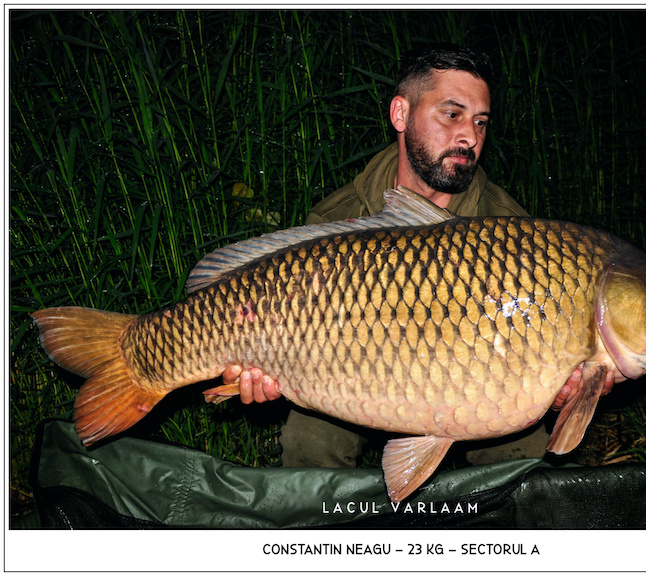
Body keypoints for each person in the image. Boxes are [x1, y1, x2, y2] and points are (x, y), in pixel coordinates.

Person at [222, 44, 553, 468]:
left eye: (480, 122)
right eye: (452, 115)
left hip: (469, 384)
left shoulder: (508, 227)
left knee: (524, 454)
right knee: (308, 443)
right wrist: (262, 372)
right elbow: (287, 331)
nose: (470, 136)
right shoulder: (338, 217)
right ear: (401, 114)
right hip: (355, 378)